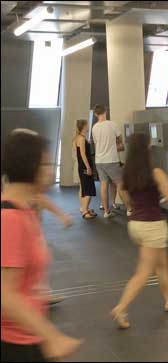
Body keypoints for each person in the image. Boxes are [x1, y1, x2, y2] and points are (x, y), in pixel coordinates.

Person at [1, 129, 82, 362]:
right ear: (32, 167)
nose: (51, 170)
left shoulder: (24, 208)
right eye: (47, 164)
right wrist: (52, 336)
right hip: (14, 344)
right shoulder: (10, 218)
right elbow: (6, 295)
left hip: (30, 336)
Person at [111, 133, 168, 329]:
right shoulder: (156, 172)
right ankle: (121, 307)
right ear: (147, 149)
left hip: (134, 225)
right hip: (153, 226)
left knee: (160, 264)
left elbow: (125, 197)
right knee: (143, 272)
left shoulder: (126, 173)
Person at [91, 104, 132, 218]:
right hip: (111, 160)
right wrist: (117, 144)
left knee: (103, 185)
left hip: (99, 161)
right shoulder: (112, 125)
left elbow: (95, 144)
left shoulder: (94, 127)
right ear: (106, 112)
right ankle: (129, 209)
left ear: (95, 114)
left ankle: (106, 211)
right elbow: (119, 139)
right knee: (120, 184)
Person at [73, 119, 97, 220]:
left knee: (84, 189)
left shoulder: (77, 138)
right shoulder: (81, 139)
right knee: (89, 190)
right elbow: (83, 154)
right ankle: (85, 211)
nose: (88, 126)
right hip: (84, 167)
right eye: (87, 125)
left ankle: (84, 208)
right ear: (83, 127)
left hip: (81, 166)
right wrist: (88, 167)